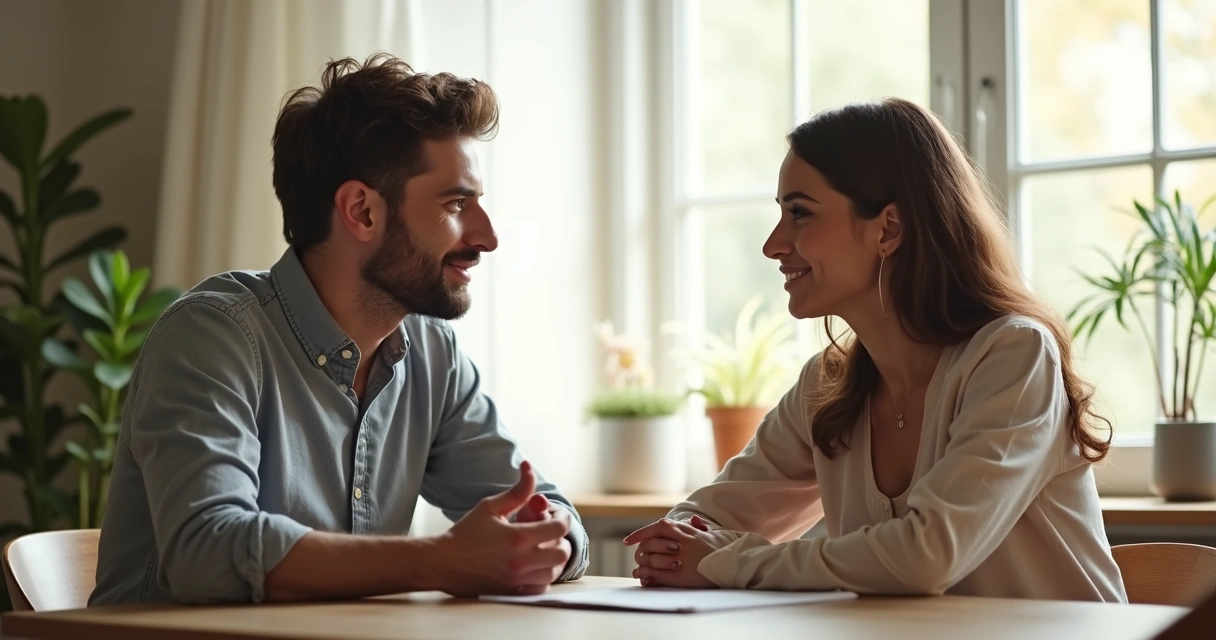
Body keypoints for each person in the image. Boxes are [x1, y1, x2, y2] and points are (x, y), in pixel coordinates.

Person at [90, 54, 588, 606]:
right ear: (361, 211)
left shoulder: (432, 353)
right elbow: (208, 552)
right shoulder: (213, 336)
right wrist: (445, 559)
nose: (487, 236)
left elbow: (537, 504)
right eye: (455, 203)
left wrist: (548, 539)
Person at [624, 98, 1126, 602]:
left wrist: (727, 560)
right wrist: (689, 548)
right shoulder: (828, 384)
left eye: (800, 213)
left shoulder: (1012, 354)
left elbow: (927, 557)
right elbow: (691, 528)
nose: (773, 244)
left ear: (888, 228)